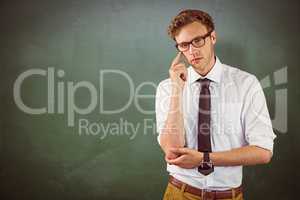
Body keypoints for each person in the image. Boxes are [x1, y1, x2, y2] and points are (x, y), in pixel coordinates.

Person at [155, 9, 276, 200]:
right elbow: (172, 150)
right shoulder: (167, 88)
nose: (192, 51)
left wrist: (205, 159)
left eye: (197, 40)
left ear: (213, 37)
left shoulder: (246, 83)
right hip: (180, 193)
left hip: (228, 195)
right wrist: (177, 89)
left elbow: (263, 151)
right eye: (184, 45)